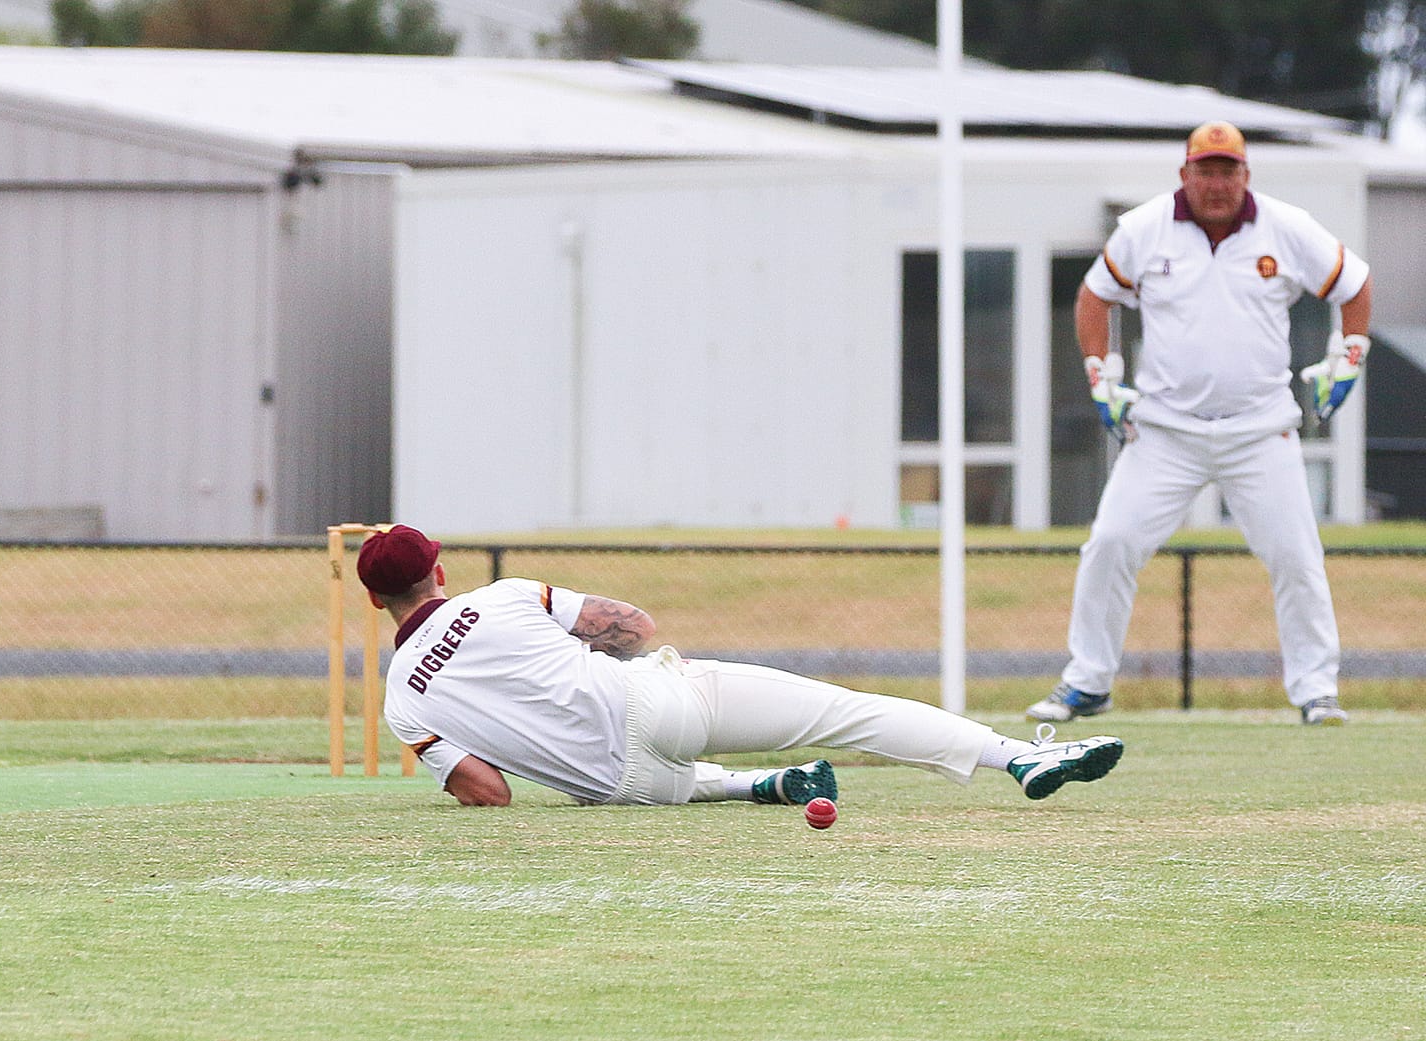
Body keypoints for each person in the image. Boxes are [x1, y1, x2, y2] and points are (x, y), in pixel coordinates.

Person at [356, 525, 1122, 808]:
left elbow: (488, 791)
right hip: (655, 705)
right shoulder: (505, 596)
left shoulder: (401, 703)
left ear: (373, 601)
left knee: (683, 785)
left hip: (623, 787)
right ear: (440, 570)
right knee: (844, 710)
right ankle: (1017, 756)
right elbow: (635, 627)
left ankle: (765, 786)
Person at [1029, 121, 1371, 728]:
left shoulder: (1286, 228)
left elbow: (1353, 284)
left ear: (1246, 174)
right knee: (1110, 544)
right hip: (1165, 432)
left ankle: (1317, 692)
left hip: (1261, 429)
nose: (1216, 183)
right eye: (1205, 170)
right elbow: (1093, 295)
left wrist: (1349, 356)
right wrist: (1100, 375)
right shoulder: (1144, 228)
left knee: (1296, 556)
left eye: (1227, 170)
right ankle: (1087, 682)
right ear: (1184, 173)